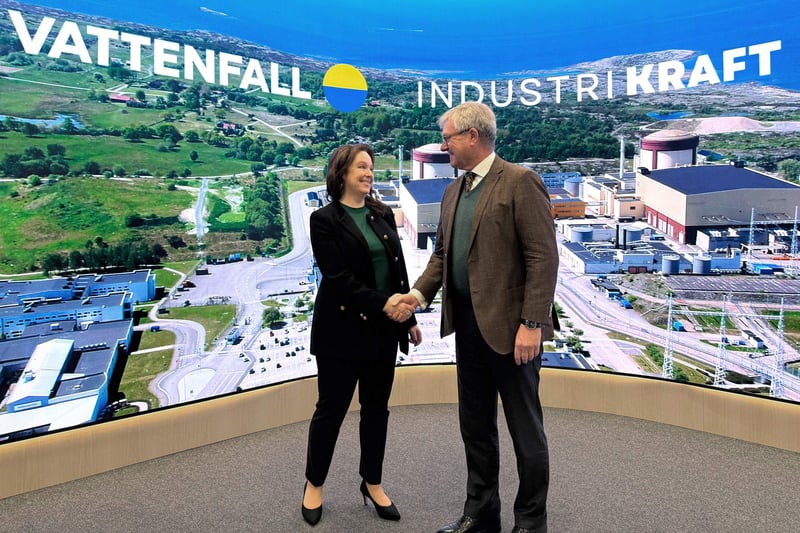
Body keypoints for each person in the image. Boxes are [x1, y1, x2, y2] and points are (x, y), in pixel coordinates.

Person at [396, 102, 559, 533]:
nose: (443, 146)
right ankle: (482, 515)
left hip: (513, 330)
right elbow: (442, 256)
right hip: (467, 327)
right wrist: (417, 295)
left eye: (447, 138)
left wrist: (532, 324)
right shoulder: (454, 191)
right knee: (475, 427)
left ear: (472, 136)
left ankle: (530, 523)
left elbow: (543, 258)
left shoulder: (520, 182)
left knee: (525, 432)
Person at [301, 143, 422, 526]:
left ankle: (372, 482)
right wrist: (386, 304)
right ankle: (314, 485)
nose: (369, 173)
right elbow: (338, 280)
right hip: (341, 332)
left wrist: (408, 318)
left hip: (382, 332)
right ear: (341, 173)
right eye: (361, 167)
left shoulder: (380, 213)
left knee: (376, 411)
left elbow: (397, 271)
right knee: (330, 411)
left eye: (370, 167)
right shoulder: (324, 220)